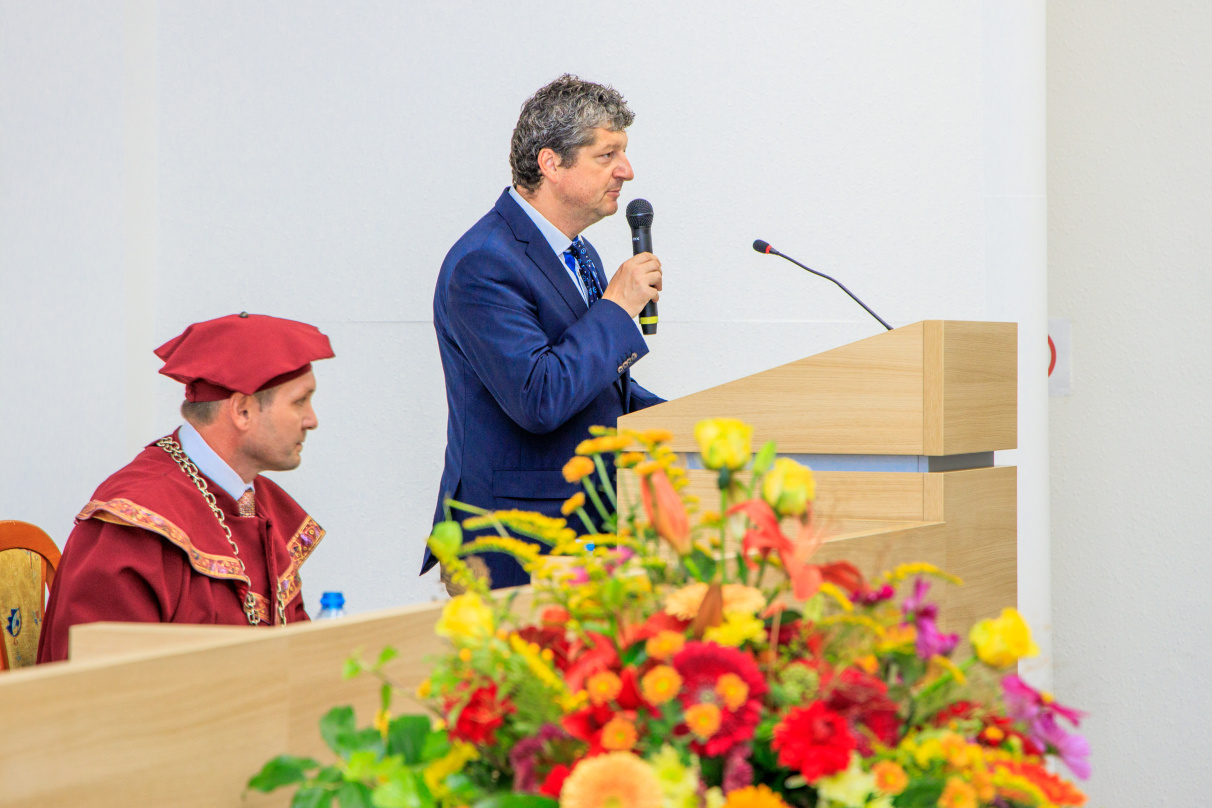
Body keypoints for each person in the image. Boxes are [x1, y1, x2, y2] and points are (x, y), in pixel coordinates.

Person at [428, 74, 664, 589]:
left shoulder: (577, 251)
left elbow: (595, 388)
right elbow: (539, 397)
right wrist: (618, 307)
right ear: (551, 163)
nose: (626, 171)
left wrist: (697, 424)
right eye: (607, 155)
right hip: (512, 541)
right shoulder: (483, 263)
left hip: (585, 528)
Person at [37, 313, 334, 663]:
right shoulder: (133, 523)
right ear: (242, 411)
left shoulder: (258, 504)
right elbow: (100, 683)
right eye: (300, 401)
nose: (312, 420)